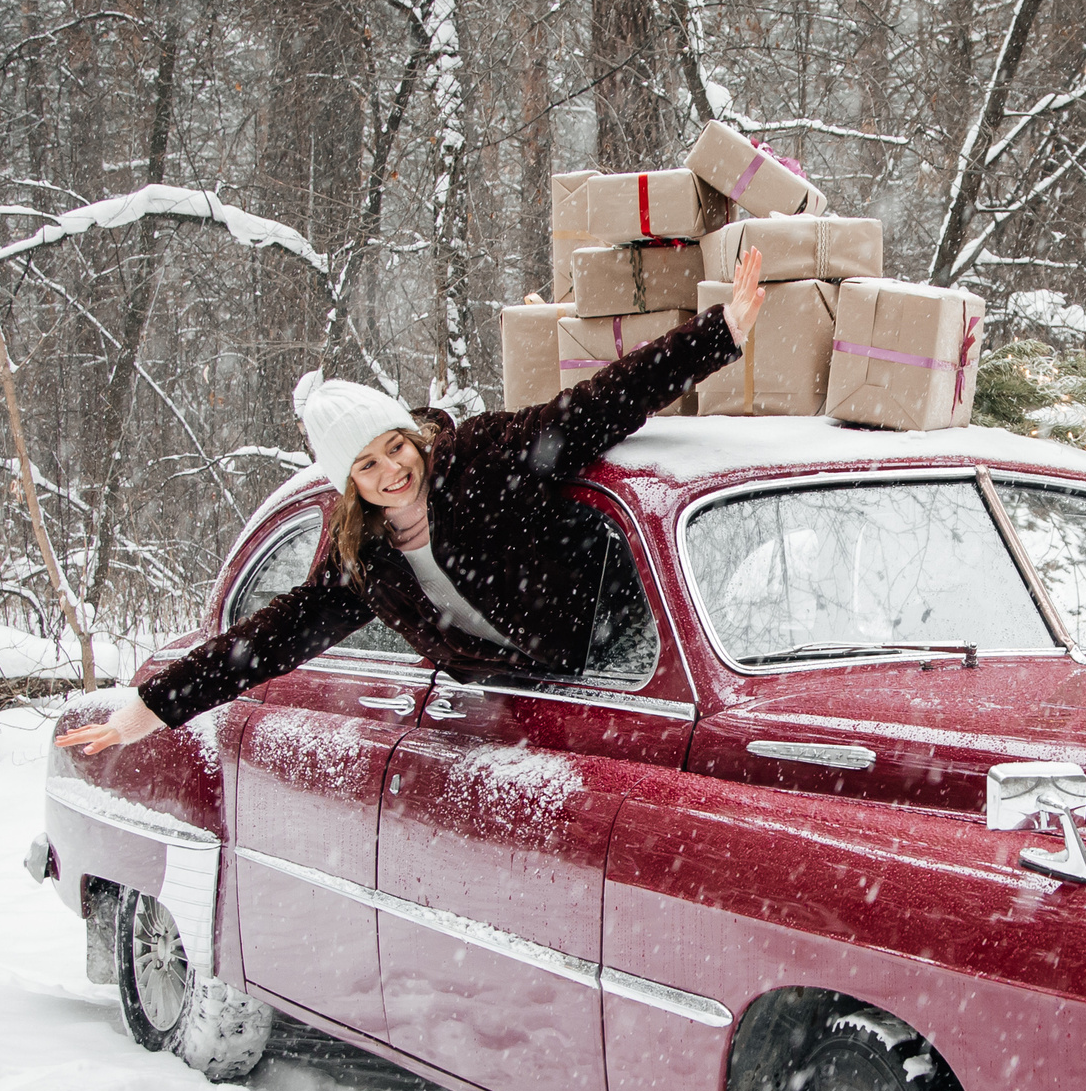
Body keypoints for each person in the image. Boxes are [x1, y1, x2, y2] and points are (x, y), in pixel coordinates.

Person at [58, 251, 767, 754]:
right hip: (523, 711)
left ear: (409, 434)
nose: (392, 469)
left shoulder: (485, 460)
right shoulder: (366, 564)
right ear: (353, 486)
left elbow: (594, 409)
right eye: (366, 465)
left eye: (394, 446)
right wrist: (149, 710)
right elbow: (265, 642)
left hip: (621, 670)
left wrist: (720, 332)